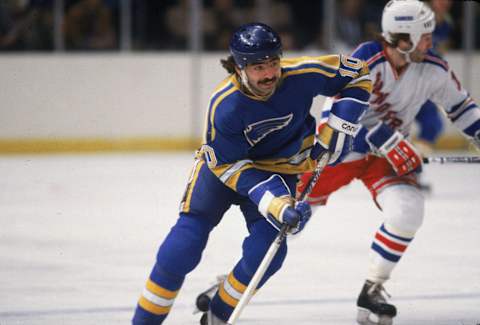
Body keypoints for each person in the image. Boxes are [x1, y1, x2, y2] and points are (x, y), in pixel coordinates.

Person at [132, 22, 372, 324]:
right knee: (181, 248)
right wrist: (276, 203)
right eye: (259, 67)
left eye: (274, 62)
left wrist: (342, 123)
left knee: (267, 254)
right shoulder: (225, 107)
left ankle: (217, 315)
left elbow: (359, 73)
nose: (270, 74)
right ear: (239, 67)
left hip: (281, 168)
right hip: (224, 171)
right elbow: (231, 167)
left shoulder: (303, 75)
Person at [298, 1, 480, 324]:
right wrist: (381, 137)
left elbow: (462, 108)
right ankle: (233, 284)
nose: (431, 42)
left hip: (386, 157)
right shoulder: (365, 59)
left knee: (409, 210)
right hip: (340, 151)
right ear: (404, 38)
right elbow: (332, 117)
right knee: (289, 218)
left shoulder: (433, 67)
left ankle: (372, 289)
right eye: (425, 36)